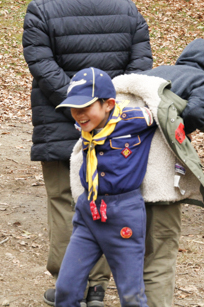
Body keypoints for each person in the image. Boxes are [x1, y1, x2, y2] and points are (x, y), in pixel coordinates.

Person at [22, 0, 152, 307]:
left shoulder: (41, 9)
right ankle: (96, 285)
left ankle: (73, 283)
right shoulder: (128, 10)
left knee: (65, 198)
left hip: (59, 121)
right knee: (106, 197)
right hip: (115, 128)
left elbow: (42, 66)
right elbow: (140, 67)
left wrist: (78, 108)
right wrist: (103, 109)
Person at [54, 68, 156, 307]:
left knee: (131, 295)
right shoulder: (86, 126)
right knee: (66, 288)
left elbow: (168, 114)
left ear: (109, 104)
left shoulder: (136, 120)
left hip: (124, 215)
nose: (78, 115)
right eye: (74, 108)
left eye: (85, 107)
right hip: (89, 212)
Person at [140, 38, 204, 306]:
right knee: (161, 246)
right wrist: (179, 131)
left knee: (109, 232)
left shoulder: (154, 73)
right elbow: (198, 112)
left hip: (117, 162)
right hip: (158, 169)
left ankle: (89, 291)